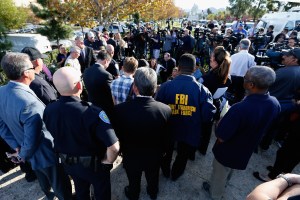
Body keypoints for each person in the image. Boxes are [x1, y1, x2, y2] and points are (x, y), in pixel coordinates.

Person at [0, 52, 72, 200]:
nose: (35, 69)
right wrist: (22, 153)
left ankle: (49, 195)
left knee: (44, 181)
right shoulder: (29, 103)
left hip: (27, 150)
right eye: (32, 67)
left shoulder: (1, 92)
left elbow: (1, 125)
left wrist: (17, 146)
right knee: (61, 185)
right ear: (26, 73)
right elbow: (33, 136)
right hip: (46, 153)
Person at [202, 66, 281, 200]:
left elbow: (221, 136)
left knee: (219, 174)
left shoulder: (240, 109)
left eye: (245, 78)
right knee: (228, 171)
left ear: (251, 85)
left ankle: (215, 194)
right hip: (245, 149)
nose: (243, 79)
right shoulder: (274, 103)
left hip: (227, 151)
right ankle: (222, 186)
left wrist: (220, 120)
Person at [43, 67, 119, 200]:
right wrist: (107, 162)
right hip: (95, 166)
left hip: (69, 164)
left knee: (80, 190)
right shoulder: (93, 112)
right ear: (79, 85)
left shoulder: (49, 110)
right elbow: (114, 147)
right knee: (102, 193)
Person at [113, 67, 171, 200]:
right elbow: (167, 137)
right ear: (155, 88)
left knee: (133, 179)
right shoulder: (165, 110)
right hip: (154, 156)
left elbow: (117, 135)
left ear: (135, 88)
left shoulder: (120, 110)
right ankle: (152, 192)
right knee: (153, 176)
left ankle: (134, 194)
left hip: (130, 156)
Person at [156, 53, 216, 181]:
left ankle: (166, 171)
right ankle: (176, 174)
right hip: (190, 130)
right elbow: (208, 116)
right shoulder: (203, 91)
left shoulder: (165, 87)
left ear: (178, 68)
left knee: (166, 152)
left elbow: (157, 110)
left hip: (168, 128)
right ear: (194, 69)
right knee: (182, 155)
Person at [199, 46, 232, 155]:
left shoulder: (209, 77)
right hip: (216, 105)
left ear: (217, 61)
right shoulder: (227, 76)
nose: (209, 60)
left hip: (204, 105)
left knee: (200, 128)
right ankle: (203, 149)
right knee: (208, 129)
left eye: (211, 59)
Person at [83, 50, 114, 118]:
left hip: (91, 105)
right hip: (105, 109)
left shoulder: (86, 71)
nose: (108, 65)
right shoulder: (106, 75)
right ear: (106, 61)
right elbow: (111, 93)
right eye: (109, 63)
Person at [228, 39, 256, 104]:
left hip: (232, 78)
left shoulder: (233, 56)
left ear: (240, 46)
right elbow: (252, 70)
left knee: (229, 97)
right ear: (249, 46)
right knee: (239, 98)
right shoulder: (251, 57)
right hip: (242, 80)